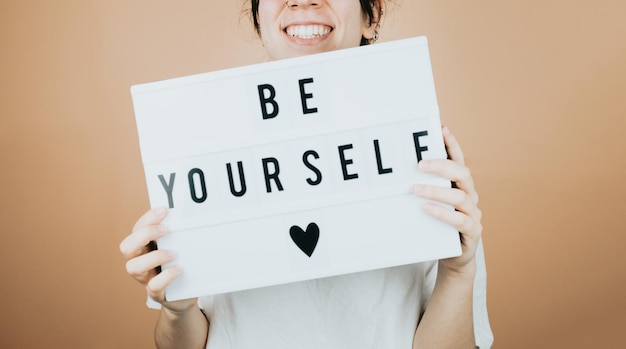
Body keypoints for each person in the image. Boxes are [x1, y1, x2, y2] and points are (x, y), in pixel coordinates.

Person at [119, 0, 493, 348]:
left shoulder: (417, 150)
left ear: (371, 14)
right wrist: (177, 309)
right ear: (258, 17)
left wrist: (459, 271)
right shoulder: (202, 142)